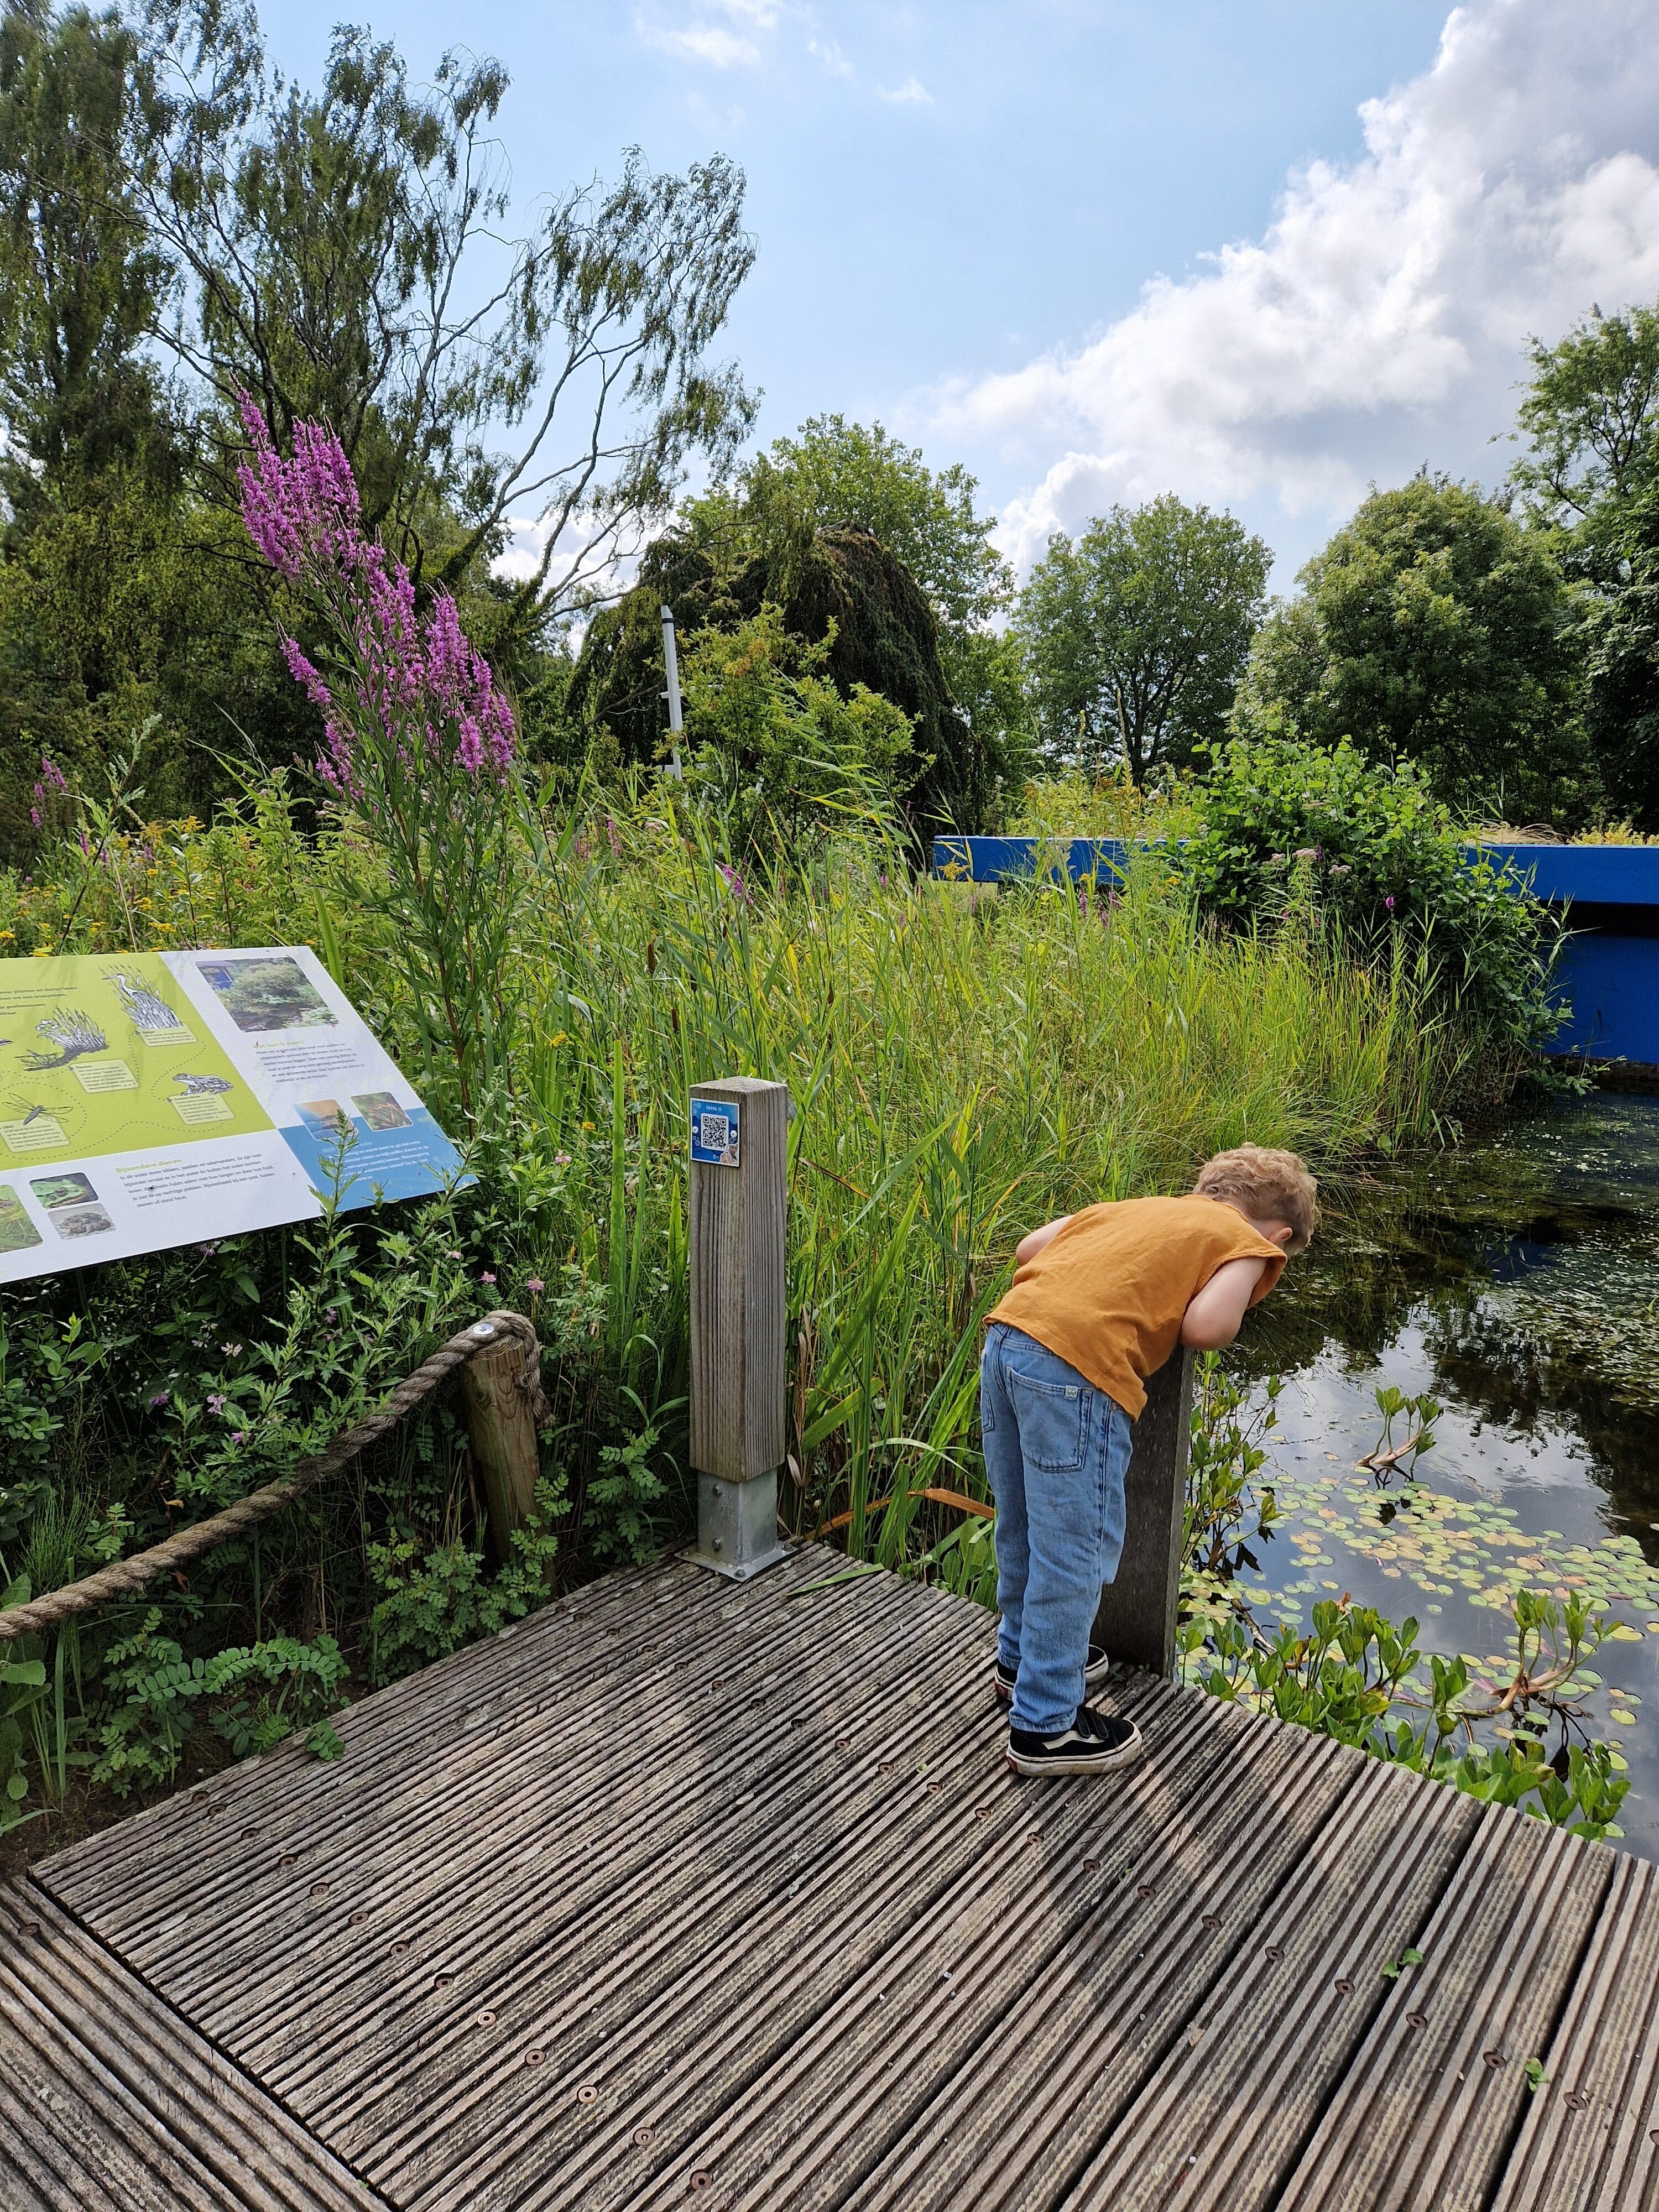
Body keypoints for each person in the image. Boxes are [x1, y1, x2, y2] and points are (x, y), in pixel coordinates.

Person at [980, 1144, 1318, 1776]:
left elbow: (1031, 1249)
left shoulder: (1134, 1208)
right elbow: (1206, 1327)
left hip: (1007, 1340)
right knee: (1076, 1550)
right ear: (1279, 1235)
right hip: (1077, 1372)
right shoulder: (1248, 1241)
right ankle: (1045, 1724)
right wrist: (1240, 1283)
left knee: (1022, 1523)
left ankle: (1021, 1659)